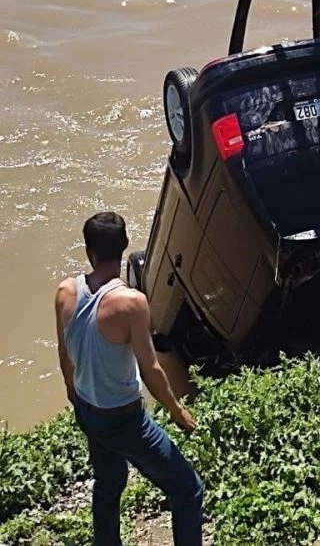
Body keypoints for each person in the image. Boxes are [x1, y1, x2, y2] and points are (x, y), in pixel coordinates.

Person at [55, 212, 203, 546]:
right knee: (187, 488)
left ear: (88, 250)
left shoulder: (65, 292)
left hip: (87, 407)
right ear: (124, 246)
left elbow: (65, 355)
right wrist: (177, 412)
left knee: (109, 481)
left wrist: (73, 393)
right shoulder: (132, 303)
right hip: (124, 419)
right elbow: (151, 369)